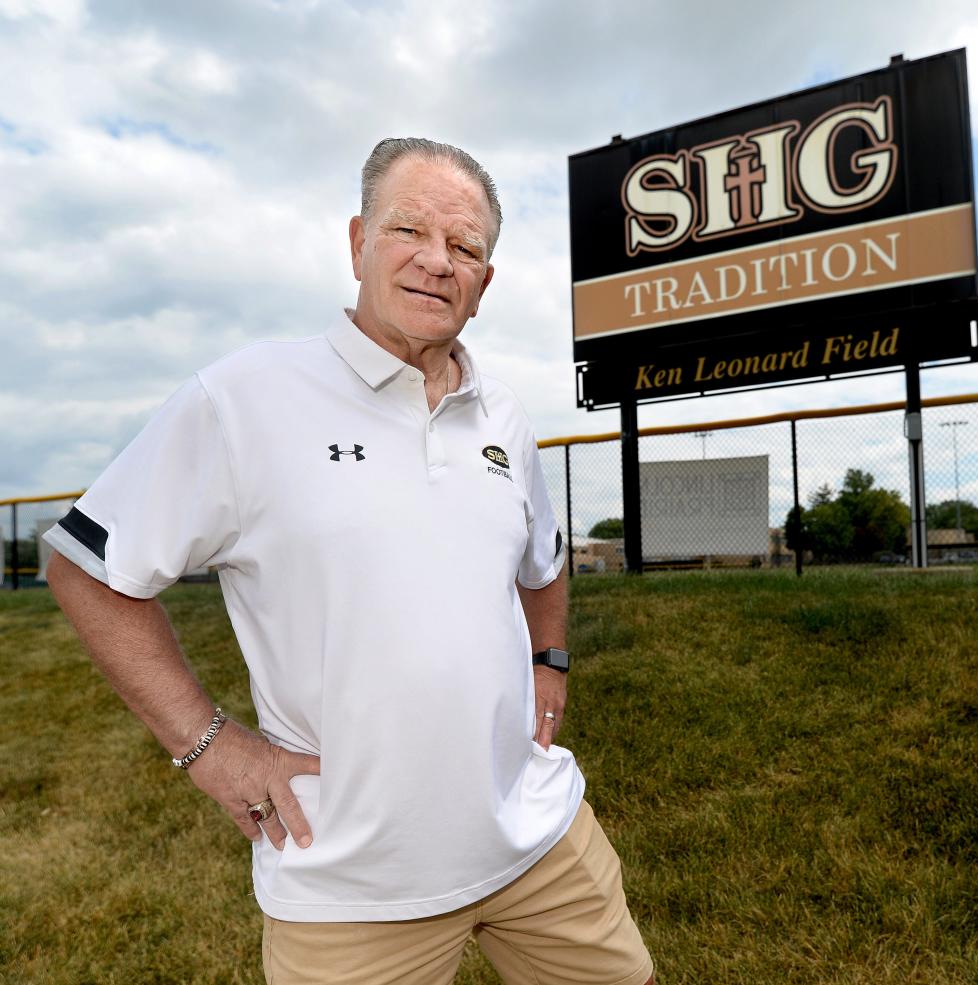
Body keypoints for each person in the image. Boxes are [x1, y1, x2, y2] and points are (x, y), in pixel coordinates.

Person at [44, 137, 654, 985]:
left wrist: (550, 658)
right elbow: (84, 567)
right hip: (351, 890)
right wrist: (209, 745)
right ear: (358, 241)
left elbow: (542, 559)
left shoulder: (505, 417)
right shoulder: (244, 399)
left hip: (542, 840)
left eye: (465, 247)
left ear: (485, 280)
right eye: (409, 230)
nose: (437, 261)